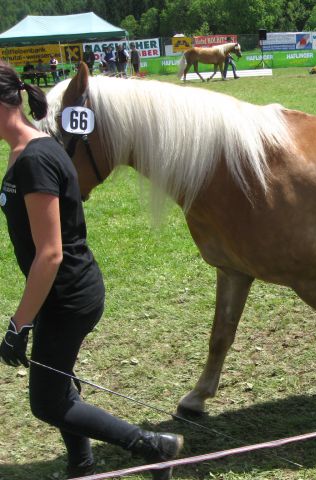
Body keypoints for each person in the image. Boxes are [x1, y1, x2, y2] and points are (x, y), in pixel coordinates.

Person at [0, 61, 183, 480]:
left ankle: (154, 446)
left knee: (48, 401)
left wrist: (18, 325)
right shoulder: (31, 151)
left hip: (66, 295)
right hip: (61, 292)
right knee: (58, 380)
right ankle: (81, 464)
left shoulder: (35, 160)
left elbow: (50, 254)